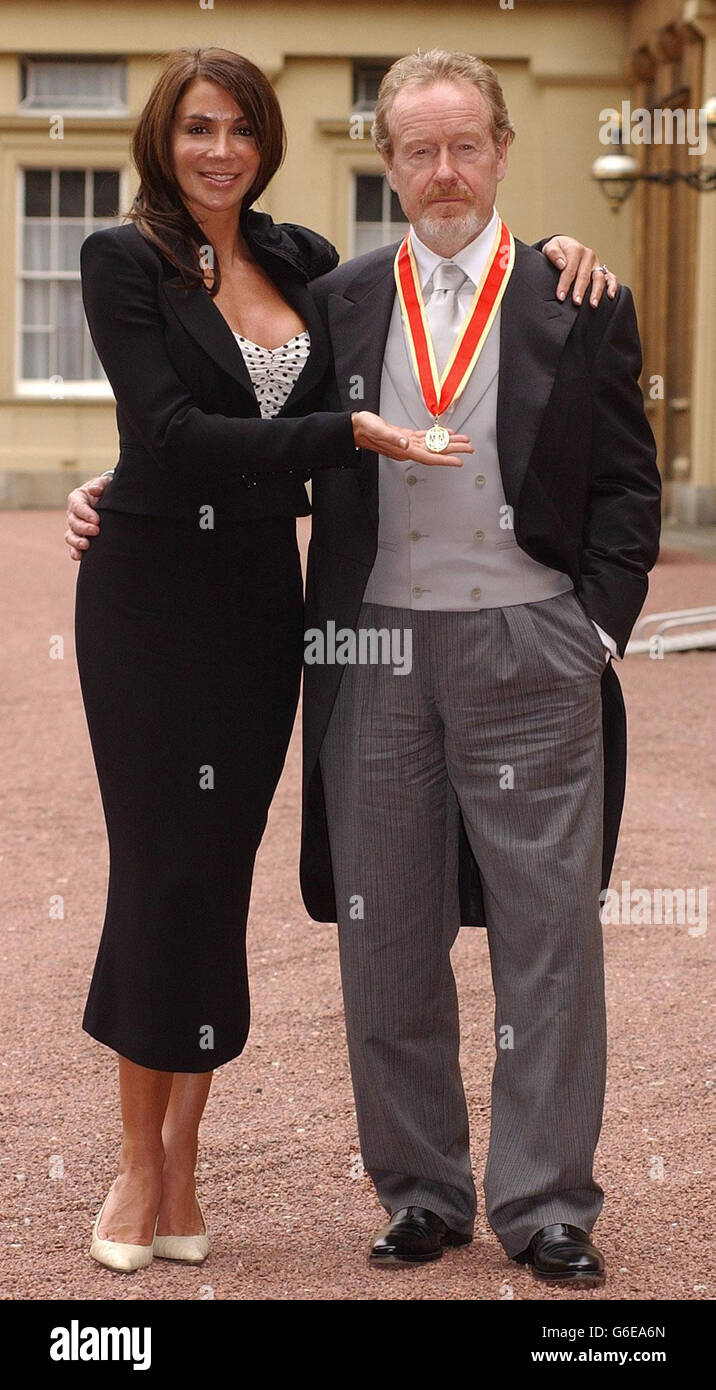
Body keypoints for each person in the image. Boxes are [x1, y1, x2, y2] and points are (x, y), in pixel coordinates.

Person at [66, 48, 613, 1276]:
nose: (219, 150)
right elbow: (175, 421)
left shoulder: (337, 267)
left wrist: (577, 256)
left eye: (241, 129)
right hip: (240, 625)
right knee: (249, 898)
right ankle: (223, 1175)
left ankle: (523, 1205)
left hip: (359, 623)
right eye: (198, 128)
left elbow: (594, 450)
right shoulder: (199, 269)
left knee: (518, 929)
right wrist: (122, 476)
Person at [297, 52, 661, 1285]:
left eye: (463, 146)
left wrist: (591, 629)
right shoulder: (340, 298)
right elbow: (241, 429)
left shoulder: (575, 295)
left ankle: (547, 1203)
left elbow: (625, 484)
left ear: (502, 148)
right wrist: (118, 490)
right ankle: (419, 1191)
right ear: (387, 161)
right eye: (416, 150)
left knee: (546, 928)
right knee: (382, 927)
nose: (442, 172)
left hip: (530, 640)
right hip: (376, 643)